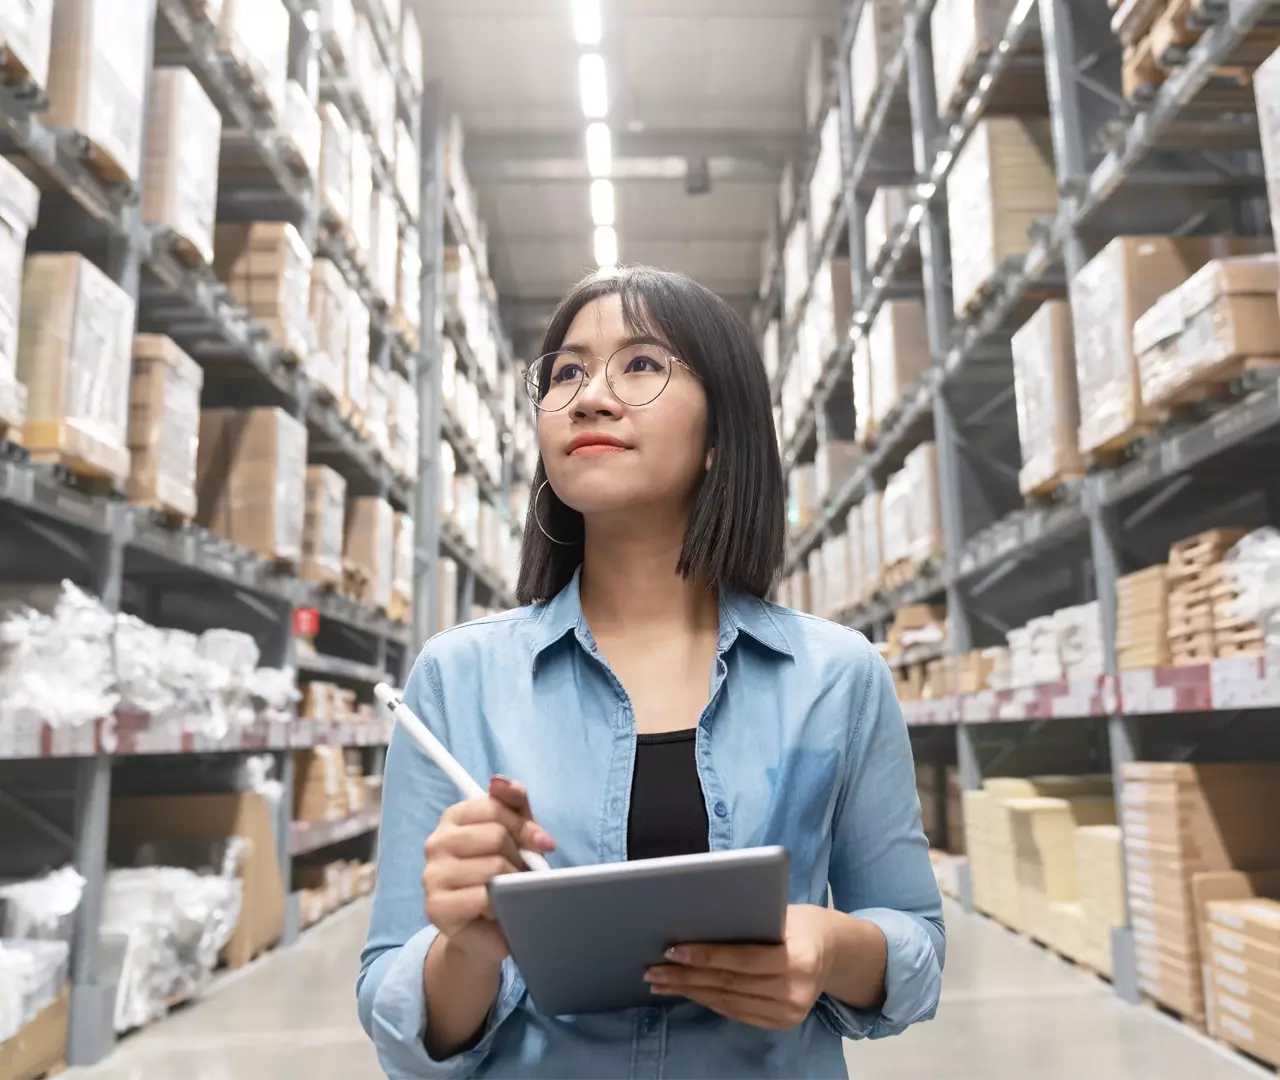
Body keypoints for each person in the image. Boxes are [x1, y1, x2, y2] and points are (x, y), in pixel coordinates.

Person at [357, 266, 944, 1079]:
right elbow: (396, 1011)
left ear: (719, 434)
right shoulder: (457, 678)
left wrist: (829, 946)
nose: (590, 397)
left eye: (640, 364)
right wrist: (468, 947)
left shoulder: (836, 676)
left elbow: (915, 944)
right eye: (566, 372)